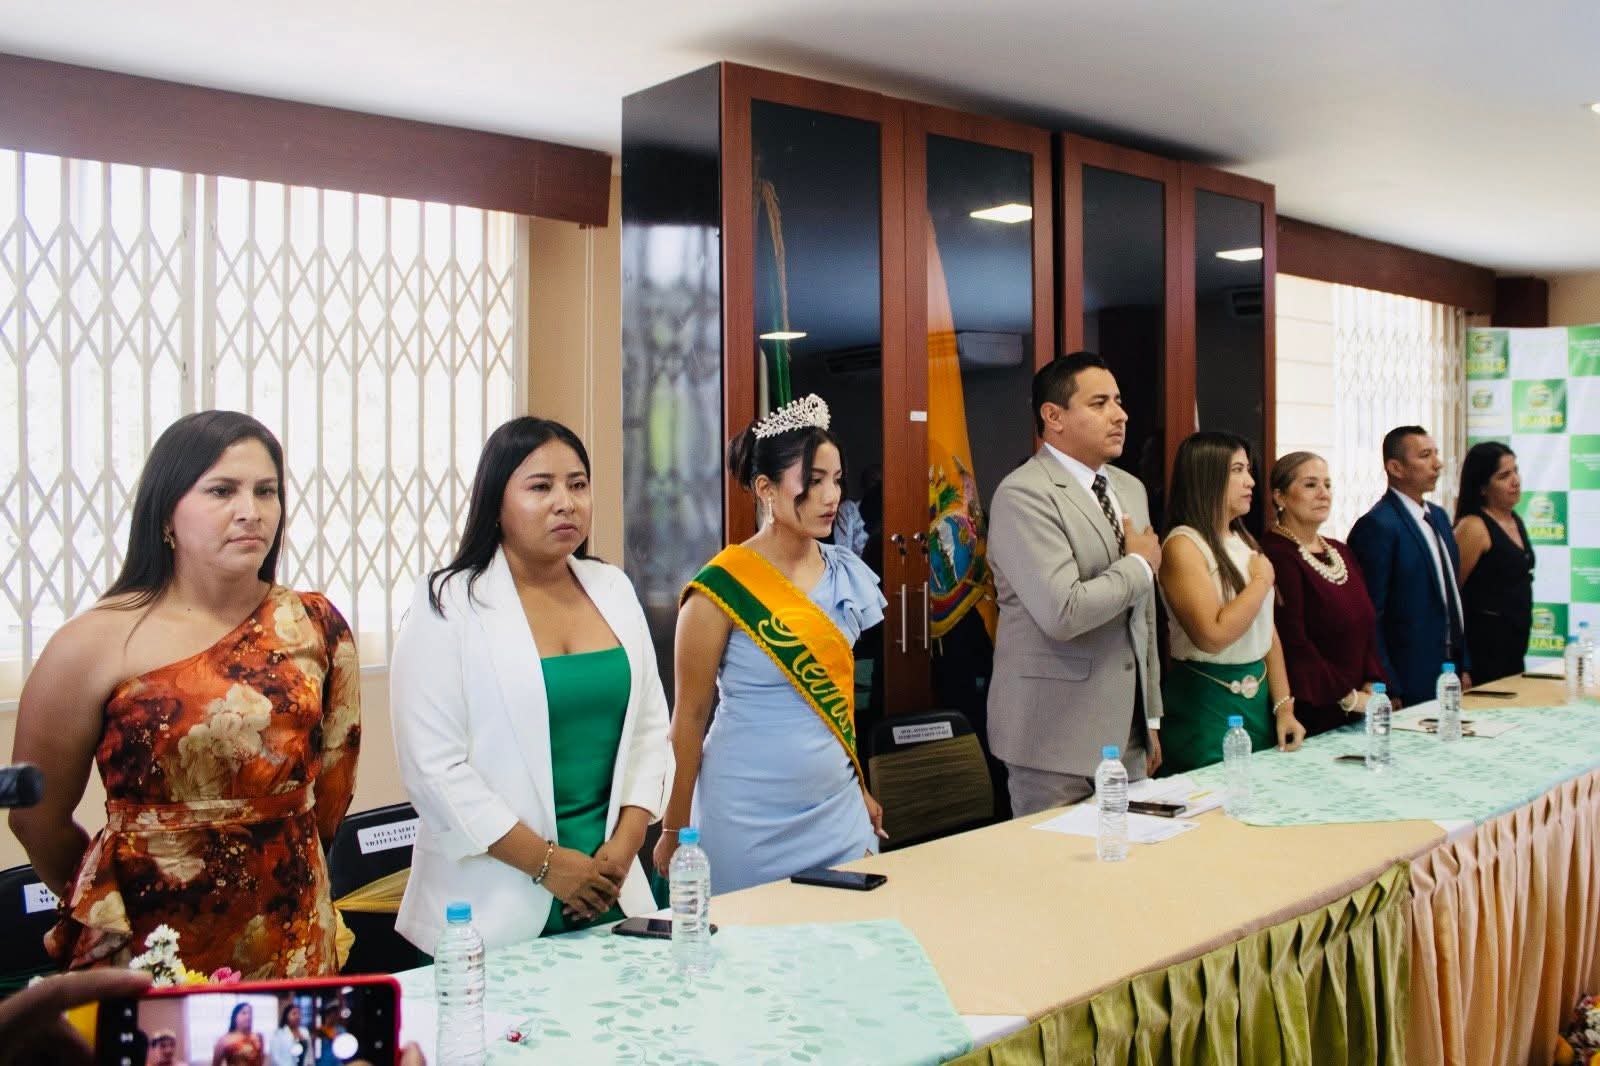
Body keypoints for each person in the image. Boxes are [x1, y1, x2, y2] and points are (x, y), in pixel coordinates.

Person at [9, 411, 360, 977]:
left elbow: (333, 791)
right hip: (154, 940)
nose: (250, 510)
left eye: (266, 491)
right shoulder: (93, 643)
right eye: (222, 490)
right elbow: (35, 817)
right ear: (166, 512)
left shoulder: (313, 623)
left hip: (290, 930)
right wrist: (107, 900)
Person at [391, 417, 671, 953]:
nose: (566, 503)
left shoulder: (612, 588)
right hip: (491, 904)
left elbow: (650, 732)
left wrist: (624, 846)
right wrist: (550, 866)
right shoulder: (447, 603)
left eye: (578, 484)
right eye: (541, 487)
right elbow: (435, 769)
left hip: (611, 886)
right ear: (496, 503)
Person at [655, 394, 888, 893]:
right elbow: (689, 718)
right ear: (765, 488)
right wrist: (674, 827)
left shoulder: (844, 573)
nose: (831, 496)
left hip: (837, 809)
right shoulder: (720, 588)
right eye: (814, 481)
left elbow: (837, 696)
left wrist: (861, 788)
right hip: (744, 813)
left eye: (837, 480)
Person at [984, 352, 1164, 813]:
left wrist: (1150, 717)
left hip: (1126, 732)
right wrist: (1139, 566)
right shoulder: (1024, 493)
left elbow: (1141, 615)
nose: (1120, 415)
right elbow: (1062, 611)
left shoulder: (1129, 488)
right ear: (1054, 416)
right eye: (1100, 403)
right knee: (1058, 861)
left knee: (1130, 855)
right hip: (1053, 738)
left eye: (1119, 401)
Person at [1158, 433, 1306, 774]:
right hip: (1206, 702)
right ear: (1206, 476)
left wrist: (1284, 707)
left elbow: (1267, 631)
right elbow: (1212, 635)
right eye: (1237, 470)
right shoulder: (1183, 544)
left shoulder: (1241, 538)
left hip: (1258, 697)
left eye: (1248, 470)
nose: (1250, 481)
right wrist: (1261, 582)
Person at [1263, 452, 1388, 736]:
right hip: (1311, 711)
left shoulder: (1340, 550)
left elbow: (1367, 623)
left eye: (1327, 485)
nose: (1323, 493)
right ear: (1280, 497)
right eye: (1310, 485)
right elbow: (1292, 640)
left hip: (1361, 706)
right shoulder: (1276, 554)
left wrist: (1372, 682)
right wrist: (1347, 697)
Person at [1348, 426, 1472, 705]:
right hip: (1407, 675)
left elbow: (1452, 595)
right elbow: (1371, 614)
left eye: (1436, 454)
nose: (1437, 464)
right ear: (1396, 468)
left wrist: (1464, 663)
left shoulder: (1438, 516)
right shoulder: (1378, 525)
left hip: (1449, 669)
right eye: (1425, 455)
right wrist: (1387, 683)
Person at [1453, 441, 1535, 684]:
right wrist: (1461, 663)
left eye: (1515, 471)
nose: (1515, 481)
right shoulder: (1473, 527)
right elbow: (1450, 598)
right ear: (1482, 487)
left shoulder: (1514, 520)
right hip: (1482, 656)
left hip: (1513, 651)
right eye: (1504, 476)